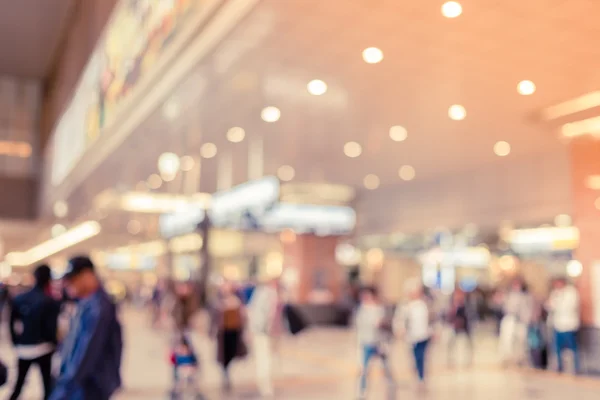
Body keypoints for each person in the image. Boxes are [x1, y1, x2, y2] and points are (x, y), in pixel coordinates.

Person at [50, 256, 123, 400]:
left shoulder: (99, 308)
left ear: (88, 276)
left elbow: (86, 353)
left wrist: (65, 389)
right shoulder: (87, 303)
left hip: (89, 385)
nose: (70, 285)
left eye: (73, 280)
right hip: (83, 383)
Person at [9, 265, 61, 400]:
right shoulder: (49, 301)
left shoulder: (20, 298)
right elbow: (51, 328)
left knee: (18, 385)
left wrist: (16, 341)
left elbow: (11, 323)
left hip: (24, 347)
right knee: (47, 385)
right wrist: (56, 344)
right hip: (44, 348)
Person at [355, 286, 395, 400]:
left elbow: (386, 326)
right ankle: (361, 392)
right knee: (364, 370)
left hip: (379, 343)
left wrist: (382, 324)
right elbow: (358, 327)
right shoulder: (361, 310)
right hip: (366, 343)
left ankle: (391, 389)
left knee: (386, 368)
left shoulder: (380, 310)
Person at [394, 280, 433, 388]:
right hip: (412, 336)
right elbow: (399, 320)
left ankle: (421, 377)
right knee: (416, 357)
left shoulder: (425, 304)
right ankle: (418, 375)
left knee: (422, 356)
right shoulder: (405, 306)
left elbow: (431, 319)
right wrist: (400, 330)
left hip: (424, 335)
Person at [247, 278, 283, 398]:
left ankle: (266, 385)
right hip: (263, 333)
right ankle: (265, 386)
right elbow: (262, 314)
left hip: (268, 333)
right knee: (265, 360)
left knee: (268, 360)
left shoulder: (270, 294)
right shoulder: (266, 294)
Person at [210, 281, 247, 393]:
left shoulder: (237, 300)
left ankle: (227, 371)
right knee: (224, 356)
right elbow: (213, 318)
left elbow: (243, 316)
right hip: (223, 332)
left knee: (233, 353)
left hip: (235, 331)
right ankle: (225, 374)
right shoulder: (218, 302)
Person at [546, 277, 580, 374]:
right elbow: (549, 306)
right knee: (557, 349)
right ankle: (559, 368)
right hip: (558, 325)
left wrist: (556, 304)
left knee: (572, 348)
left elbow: (568, 307)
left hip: (569, 325)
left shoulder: (571, 292)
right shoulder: (555, 293)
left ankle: (575, 369)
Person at [446, 290, 473, 367]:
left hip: (464, 329)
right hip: (455, 329)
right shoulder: (453, 306)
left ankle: (466, 360)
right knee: (452, 345)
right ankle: (452, 360)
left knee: (465, 345)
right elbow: (449, 317)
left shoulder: (466, 306)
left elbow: (469, 317)